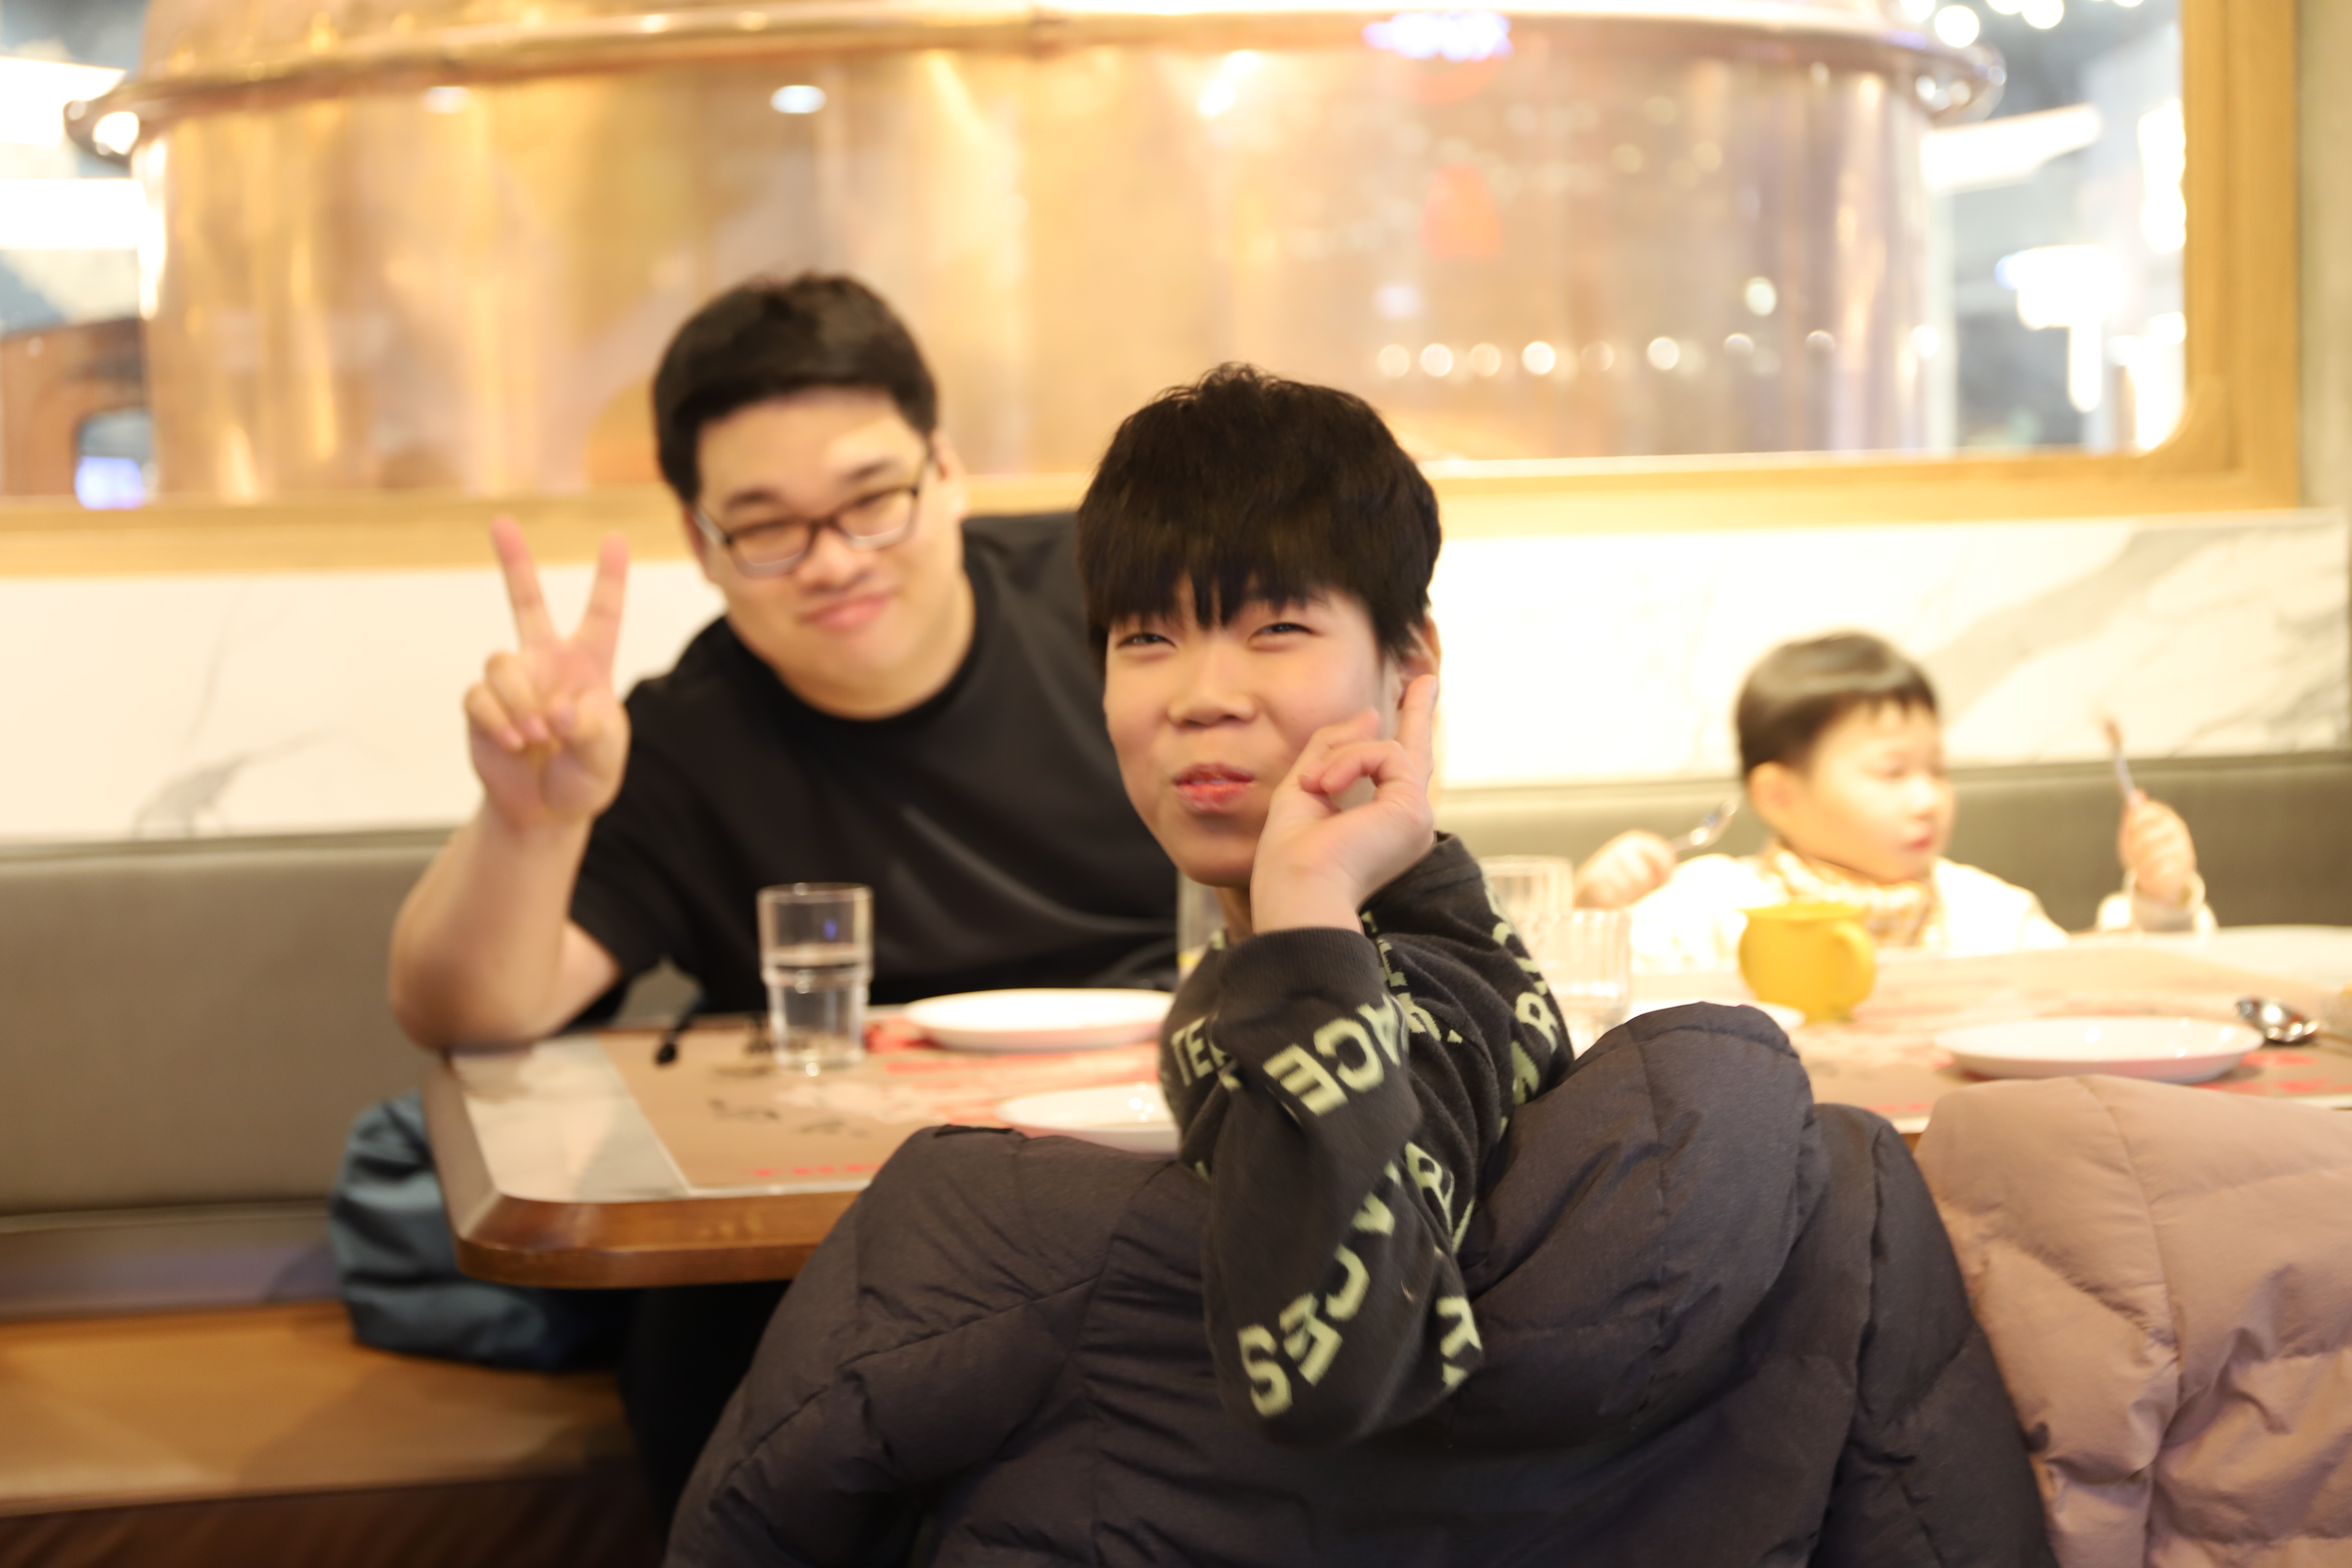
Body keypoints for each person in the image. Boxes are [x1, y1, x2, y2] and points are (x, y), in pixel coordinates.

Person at [667, 368, 2055, 1568]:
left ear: (1409, 663)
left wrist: (1309, 910)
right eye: (1147, 638)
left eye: (1275, 628)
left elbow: (1333, 1368)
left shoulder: (1408, 994)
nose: (1201, 693)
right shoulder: (1457, 971)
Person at [385, 274, 1176, 1525]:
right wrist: (531, 819)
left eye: (872, 501)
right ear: (702, 543)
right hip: (818, 1258)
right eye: (766, 527)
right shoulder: (679, 740)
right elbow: (468, 1010)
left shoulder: (1127, 619)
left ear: (947, 473)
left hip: (1144, 1190)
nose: (833, 561)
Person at [1574, 631, 2214, 970]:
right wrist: (1593, 915)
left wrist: (2161, 900)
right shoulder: (1711, 906)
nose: (1927, 798)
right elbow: (1583, 1010)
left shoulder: (1986, 913)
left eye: (1937, 770)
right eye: (1892, 772)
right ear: (1779, 795)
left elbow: (2098, 991)